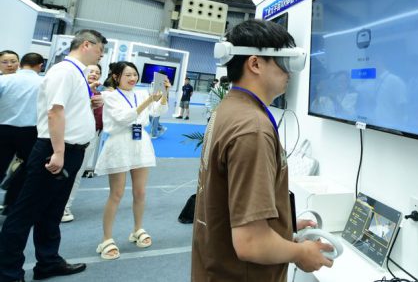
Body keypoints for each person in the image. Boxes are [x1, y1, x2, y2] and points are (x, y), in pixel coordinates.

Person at [191, 19, 333, 281]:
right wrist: (300, 252)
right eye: (283, 62)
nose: (289, 73)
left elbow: (230, 205)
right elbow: (251, 242)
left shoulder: (228, 110)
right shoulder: (252, 128)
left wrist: (281, 228)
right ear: (255, 63)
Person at [0, 30, 107, 282]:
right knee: (24, 212)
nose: (102, 54)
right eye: (100, 48)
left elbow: (64, 109)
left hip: (70, 150)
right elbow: (54, 113)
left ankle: (48, 261)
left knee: (52, 211)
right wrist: (58, 153)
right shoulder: (64, 71)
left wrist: (87, 105)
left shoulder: (76, 73)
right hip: (55, 149)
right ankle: (7, 272)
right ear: (87, 45)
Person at [94, 61, 169, 260]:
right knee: (116, 193)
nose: (133, 78)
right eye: (127, 75)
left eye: (134, 74)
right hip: (119, 144)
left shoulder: (142, 93)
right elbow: (123, 118)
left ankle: (137, 229)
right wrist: (147, 101)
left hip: (141, 144)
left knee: (140, 192)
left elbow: (156, 112)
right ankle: (106, 238)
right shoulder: (109, 96)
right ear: (116, 77)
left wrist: (164, 95)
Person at [0, 53, 44, 215]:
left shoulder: (4, 80)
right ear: (40, 66)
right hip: (30, 132)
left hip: (3, 128)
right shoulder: (43, 82)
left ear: (20, 64)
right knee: (24, 169)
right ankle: (11, 205)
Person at [62, 63, 104, 222]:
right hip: (67, 135)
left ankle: (65, 207)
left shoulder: (100, 93)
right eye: (91, 71)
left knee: (77, 173)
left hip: (90, 136)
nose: (94, 74)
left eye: (97, 72)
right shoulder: (74, 88)